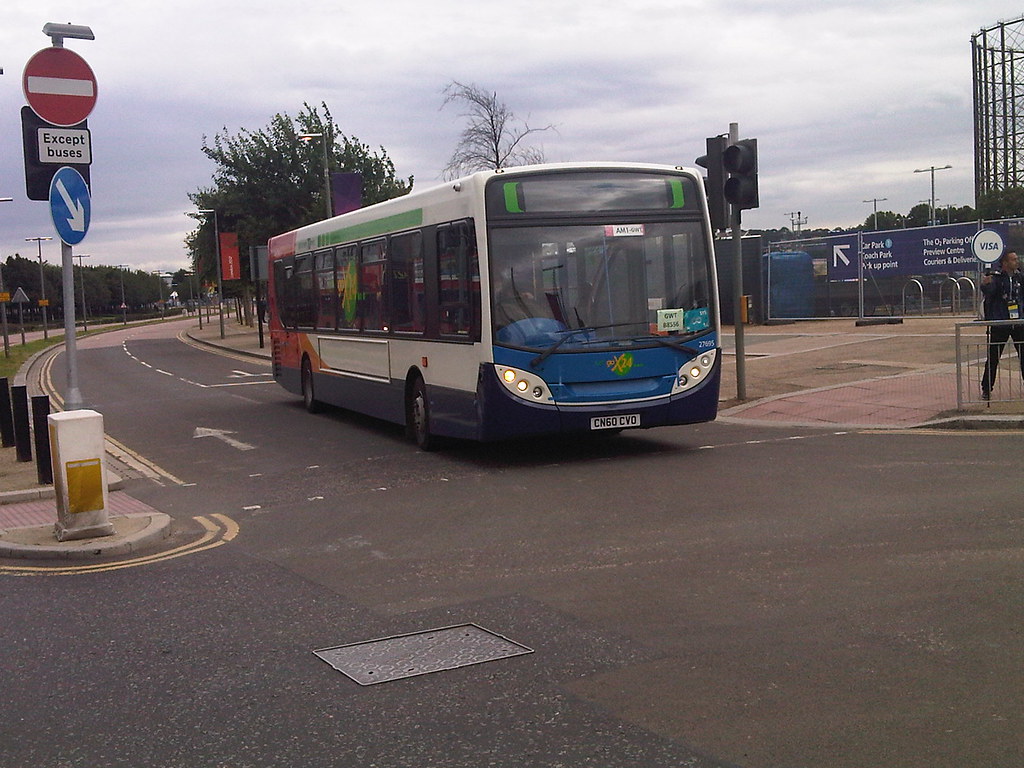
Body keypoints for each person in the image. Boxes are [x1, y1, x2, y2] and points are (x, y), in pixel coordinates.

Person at [980, 249, 1024, 399]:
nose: (1016, 262)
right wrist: (985, 285)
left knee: (1023, 355)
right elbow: (989, 292)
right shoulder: (997, 278)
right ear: (1005, 263)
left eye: (1016, 259)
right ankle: (986, 388)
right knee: (993, 357)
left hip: (1018, 322)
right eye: (1013, 259)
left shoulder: (1020, 276)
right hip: (1001, 322)